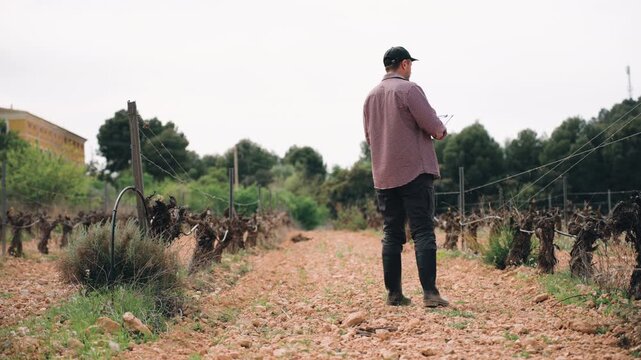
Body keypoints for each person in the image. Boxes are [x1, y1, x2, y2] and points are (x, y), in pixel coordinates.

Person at [363, 46, 449, 307]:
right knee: (423, 231)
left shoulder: (370, 97)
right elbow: (434, 127)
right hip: (414, 172)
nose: (411, 68)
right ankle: (431, 295)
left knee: (391, 233)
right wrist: (441, 129)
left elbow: (369, 138)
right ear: (403, 64)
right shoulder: (409, 90)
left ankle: (394, 294)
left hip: (384, 174)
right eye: (410, 64)